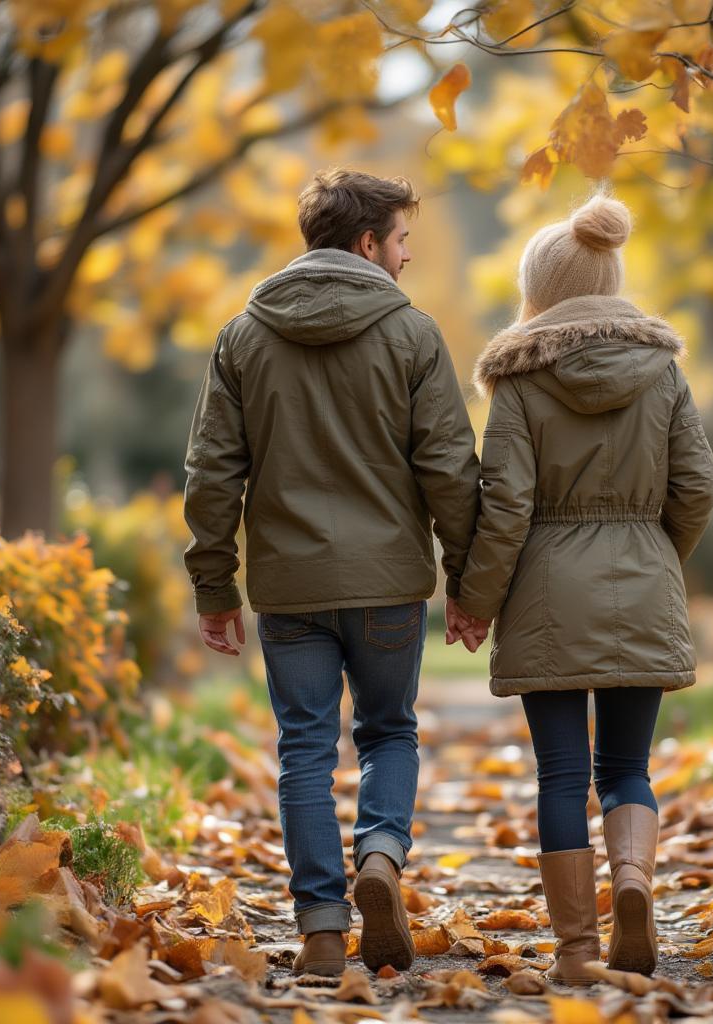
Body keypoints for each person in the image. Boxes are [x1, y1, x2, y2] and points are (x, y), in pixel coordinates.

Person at [183, 168, 481, 977]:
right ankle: (381, 853)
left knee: (304, 751)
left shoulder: (244, 335)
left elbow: (212, 473)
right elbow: (451, 470)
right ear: (366, 243)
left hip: (289, 591)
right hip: (388, 584)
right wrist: (469, 582)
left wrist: (215, 587)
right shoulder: (414, 335)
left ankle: (320, 924)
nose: (409, 255)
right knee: (388, 731)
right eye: (402, 239)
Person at [452, 192, 713, 982]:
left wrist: (476, 599)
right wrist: (660, 555)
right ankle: (633, 883)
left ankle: (575, 950)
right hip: (644, 575)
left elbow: (504, 507)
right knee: (628, 768)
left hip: (546, 594)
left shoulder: (522, 383)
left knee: (562, 773)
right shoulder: (663, 372)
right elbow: (697, 486)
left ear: (540, 290)